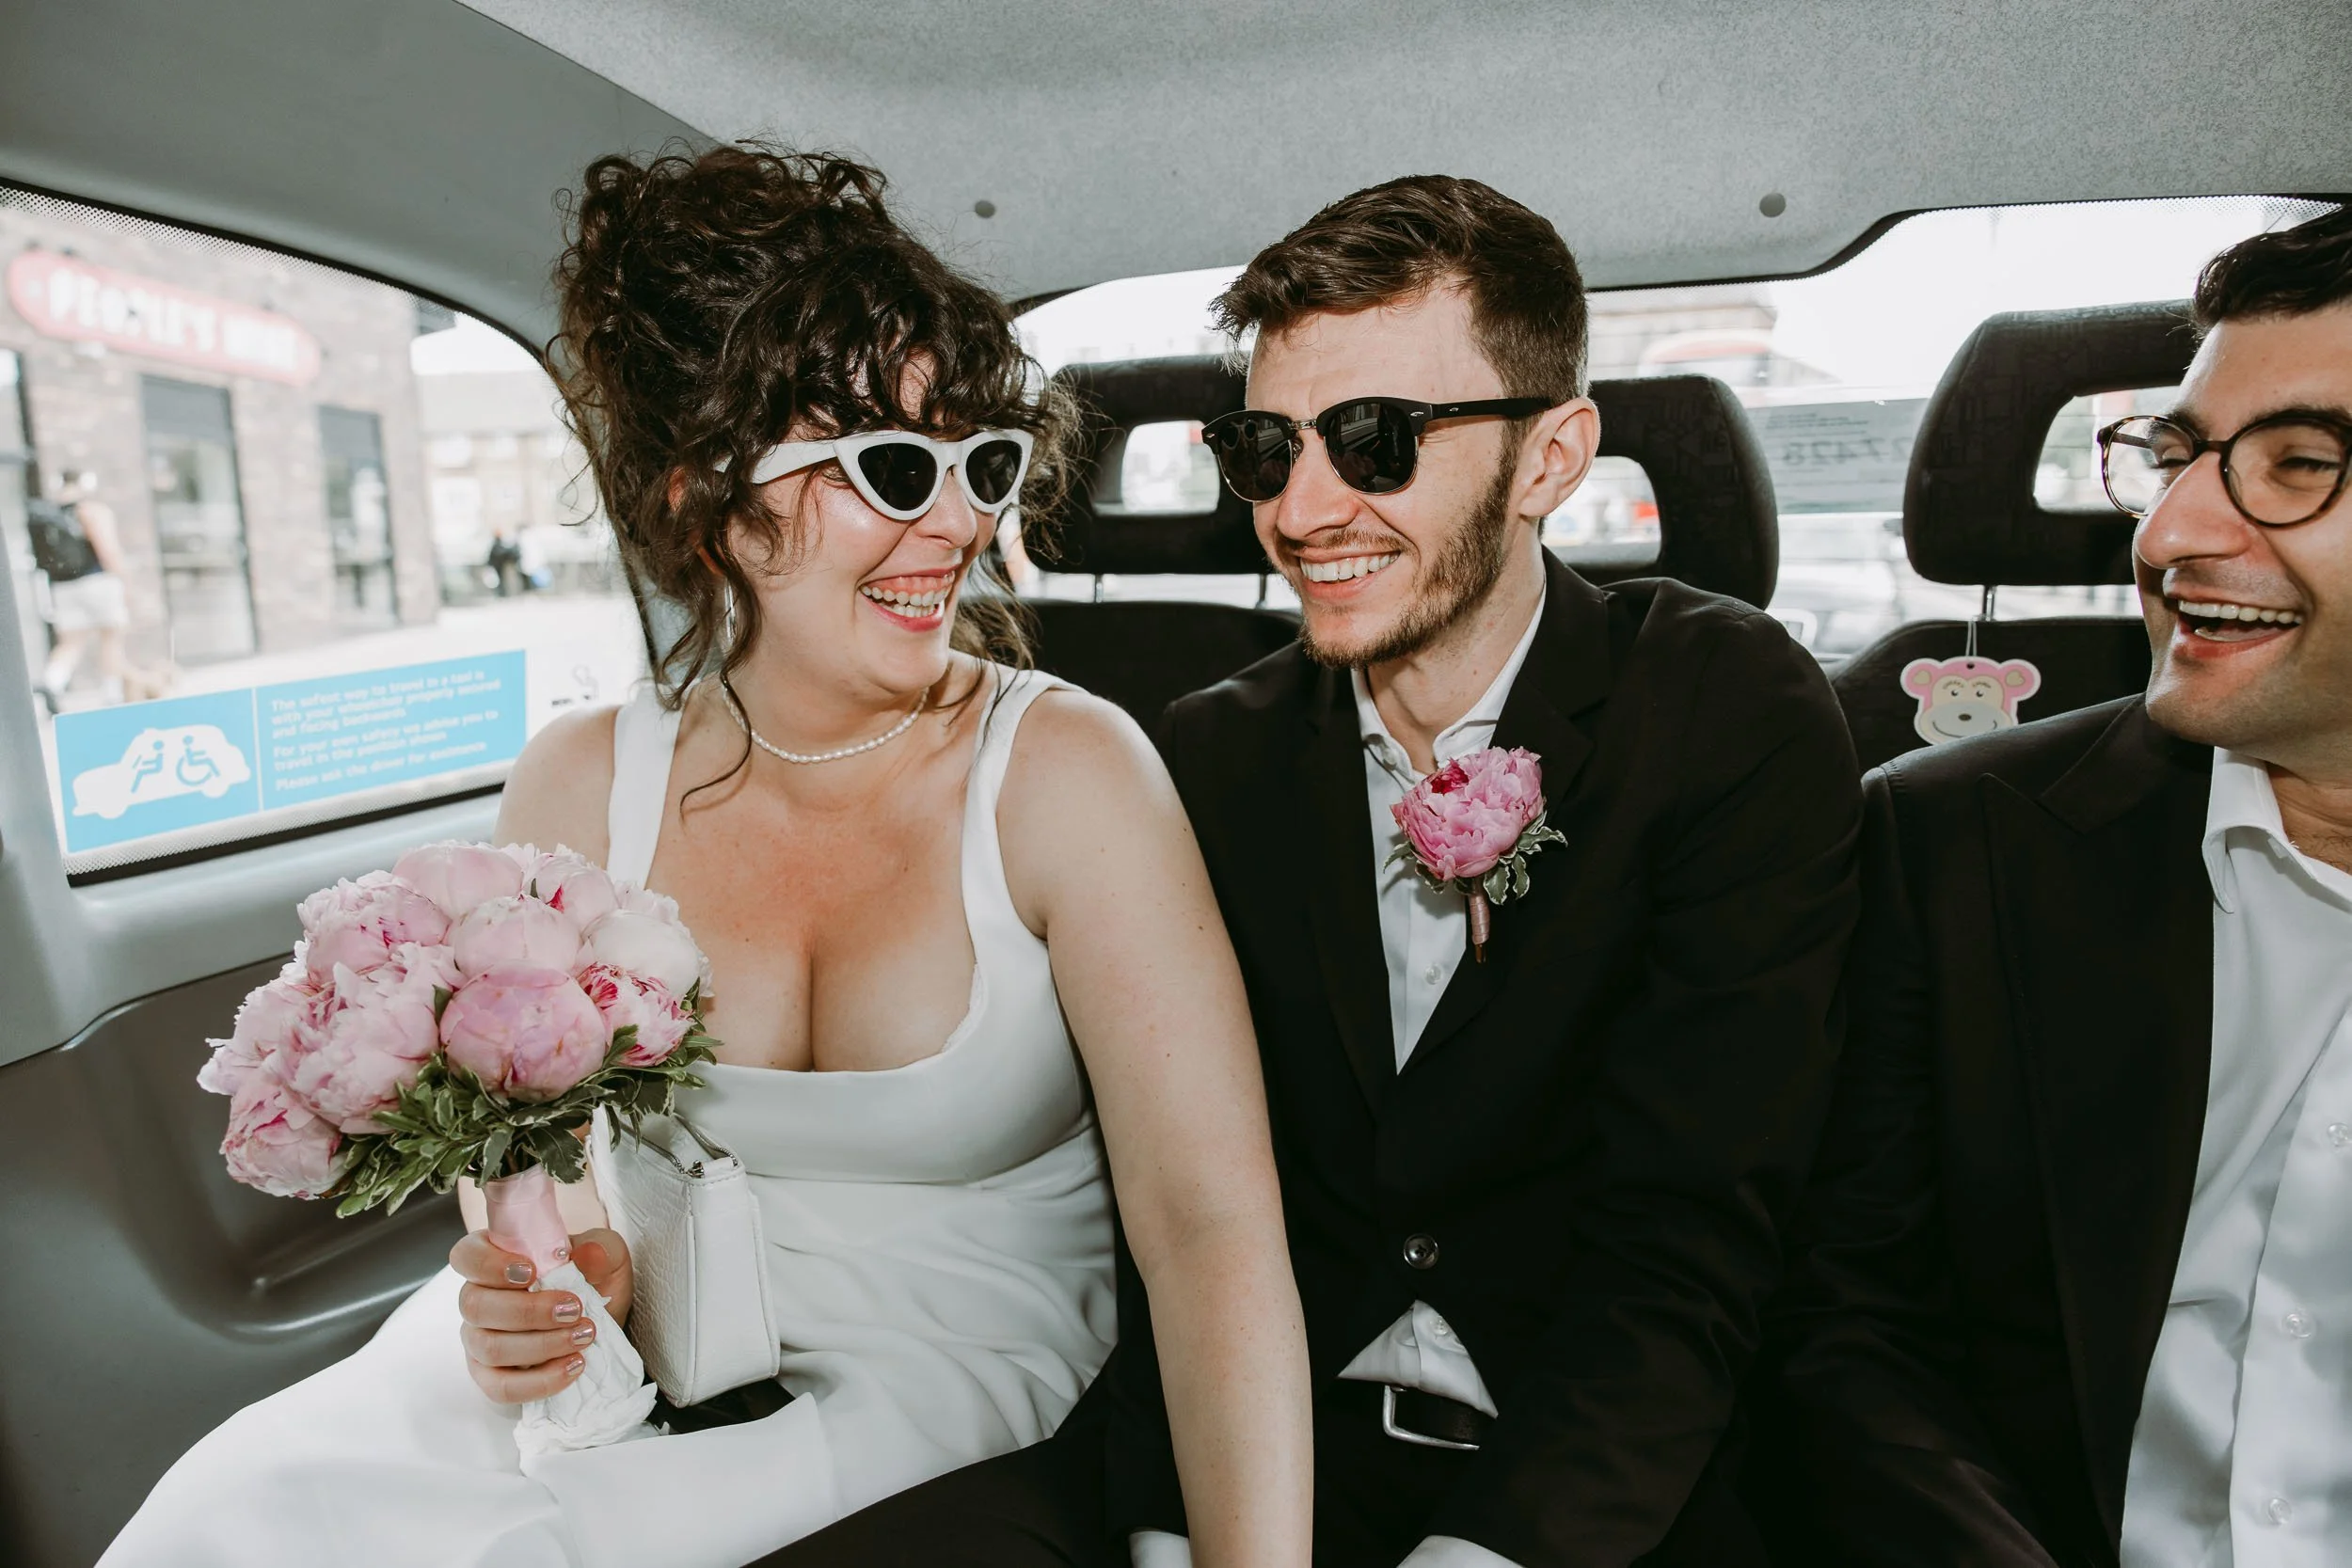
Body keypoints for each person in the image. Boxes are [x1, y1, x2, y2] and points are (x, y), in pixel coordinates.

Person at [101, 144, 1311, 1568]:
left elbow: (1211, 1239)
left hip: (948, 1366)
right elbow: (548, 1173)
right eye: (890, 468)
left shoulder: (1067, 775)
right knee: (230, 1512)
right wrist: (543, 1278)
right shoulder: (582, 779)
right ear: (702, 502)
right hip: (651, 1351)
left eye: (982, 462)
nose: (960, 522)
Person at [771, 175, 1860, 1567]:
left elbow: (1691, 1245)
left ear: (1551, 455)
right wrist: (1178, 1532)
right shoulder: (1213, 755)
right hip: (1272, 1444)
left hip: (1596, 1477)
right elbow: (1178, 1216)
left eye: (1377, 440)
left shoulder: (1719, 706)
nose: (1304, 505)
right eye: (1266, 446)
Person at [1752, 203, 2352, 1566]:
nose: (2170, 534)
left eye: (2299, 464)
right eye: (2179, 455)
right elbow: (1846, 1324)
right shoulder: (1955, 847)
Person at [32, 468, 135, 708]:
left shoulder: (50, 515)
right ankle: (112, 694)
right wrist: (124, 580)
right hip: (97, 582)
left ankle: (51, 684)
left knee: (70, 642)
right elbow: (107, 549)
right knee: (111, 637)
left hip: (63, 587)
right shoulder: (91, 510)